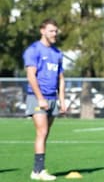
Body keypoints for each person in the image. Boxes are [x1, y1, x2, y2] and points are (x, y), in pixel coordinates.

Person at [23, 18, 67, 181]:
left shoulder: (57, 53)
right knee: (42, 131)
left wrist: (62, 100)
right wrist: (40, 98)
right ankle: (38, 171)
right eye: (51, 31)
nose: (54, 34)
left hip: (52, 98)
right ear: (42, 31)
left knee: (45, 134)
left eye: (56, 31)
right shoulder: (33, 50)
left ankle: (37, 170)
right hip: (37, 98)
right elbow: (31, 75)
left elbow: (61, 78)